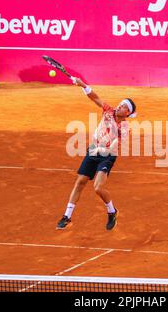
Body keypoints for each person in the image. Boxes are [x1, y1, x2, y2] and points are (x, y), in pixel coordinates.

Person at [56, 76, 136, 231]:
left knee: (98, 187)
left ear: (127, 112)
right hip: (94, 150)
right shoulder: (108, 111)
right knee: (80, 182)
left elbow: (114, 146)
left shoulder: (125, 127)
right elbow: (95, 97)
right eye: (120, 104)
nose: (119, 106)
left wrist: (101, 150)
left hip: (107, 156)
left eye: (124, 106)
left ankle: (112, 212)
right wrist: (82, 84)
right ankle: (67, 216)